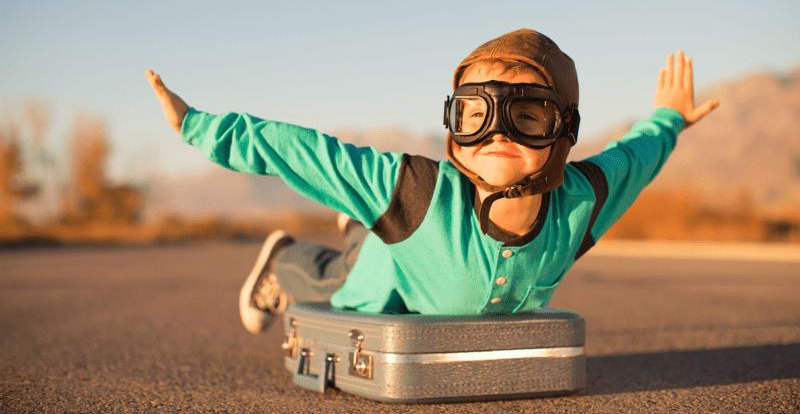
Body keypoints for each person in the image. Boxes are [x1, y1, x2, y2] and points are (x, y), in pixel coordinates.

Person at [146, 29, 718, 334]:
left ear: (563, 129)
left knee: (372, 224)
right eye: (477, 114)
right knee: (349, 294)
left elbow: (636, 156)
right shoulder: (415, 190)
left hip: (397, 229)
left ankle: (361, 221)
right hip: (394, 269)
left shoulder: (581, 202)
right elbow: (307, 154)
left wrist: (669, 119)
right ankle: (284, 261)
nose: (497, 132)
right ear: (454, 123)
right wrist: (199, 128)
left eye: (528, 115)